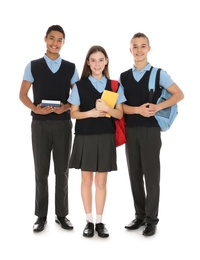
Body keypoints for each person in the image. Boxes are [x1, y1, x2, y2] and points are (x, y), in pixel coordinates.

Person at [120, 32, 184, 236]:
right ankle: (139, 216)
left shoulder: (158, 74)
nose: (139, 50)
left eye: (143, 46)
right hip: (131, 129)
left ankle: (151, 219)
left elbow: (179, 94)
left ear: (149, 48)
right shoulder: (124, 77)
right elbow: (121, 107)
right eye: (135, 46)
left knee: (151, 175)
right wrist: (137, 110)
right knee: (135, 175)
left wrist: (157, 107)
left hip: (150, 132)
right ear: (130, 49)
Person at [19, 25, 79, 232]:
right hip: (40, 125)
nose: (55, 43)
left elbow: (77, 97)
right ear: (45, 39)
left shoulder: (71, 68)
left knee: (62, 171)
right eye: (52, 38)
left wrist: (66, 106)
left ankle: (61, 215)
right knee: (41, 171)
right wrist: (36, 108)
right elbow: (23, 95)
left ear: (64, 42)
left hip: (63, 124)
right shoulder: (33, 66)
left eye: (59, 40)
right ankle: (41, 216)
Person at [68, 45, 126, 238]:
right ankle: (89, 220)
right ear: (87, 62)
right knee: (86, 180)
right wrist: (91, 113)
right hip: (85, 136)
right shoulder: (80, 86)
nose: (97, 64)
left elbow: (119, 113)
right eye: (93, 60)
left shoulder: (115, 86)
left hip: (105, 137)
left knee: (101, 182)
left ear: (106, 61)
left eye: (101, 60)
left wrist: (107, 110)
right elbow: (73, 113)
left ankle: (100, 221)